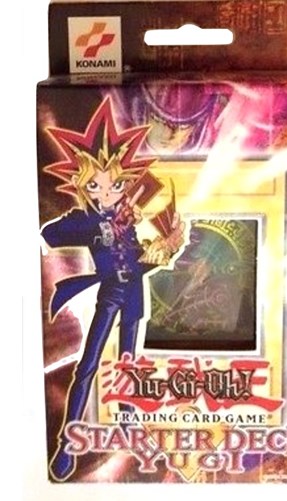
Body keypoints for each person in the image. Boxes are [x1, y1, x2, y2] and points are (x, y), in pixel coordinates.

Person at [41, 97, 185, 481]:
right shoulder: (86, 217)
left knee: (128, 368)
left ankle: (128, 427)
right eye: (97, 185)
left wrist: (166, 248)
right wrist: (97, 228)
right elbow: (50, 232)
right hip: (108, 296)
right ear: (84, 186)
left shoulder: (130, 219)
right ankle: (67, 445)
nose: (107, 192)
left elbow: (138, 261)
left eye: (115, 184)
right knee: (87, 367)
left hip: (134, 295)